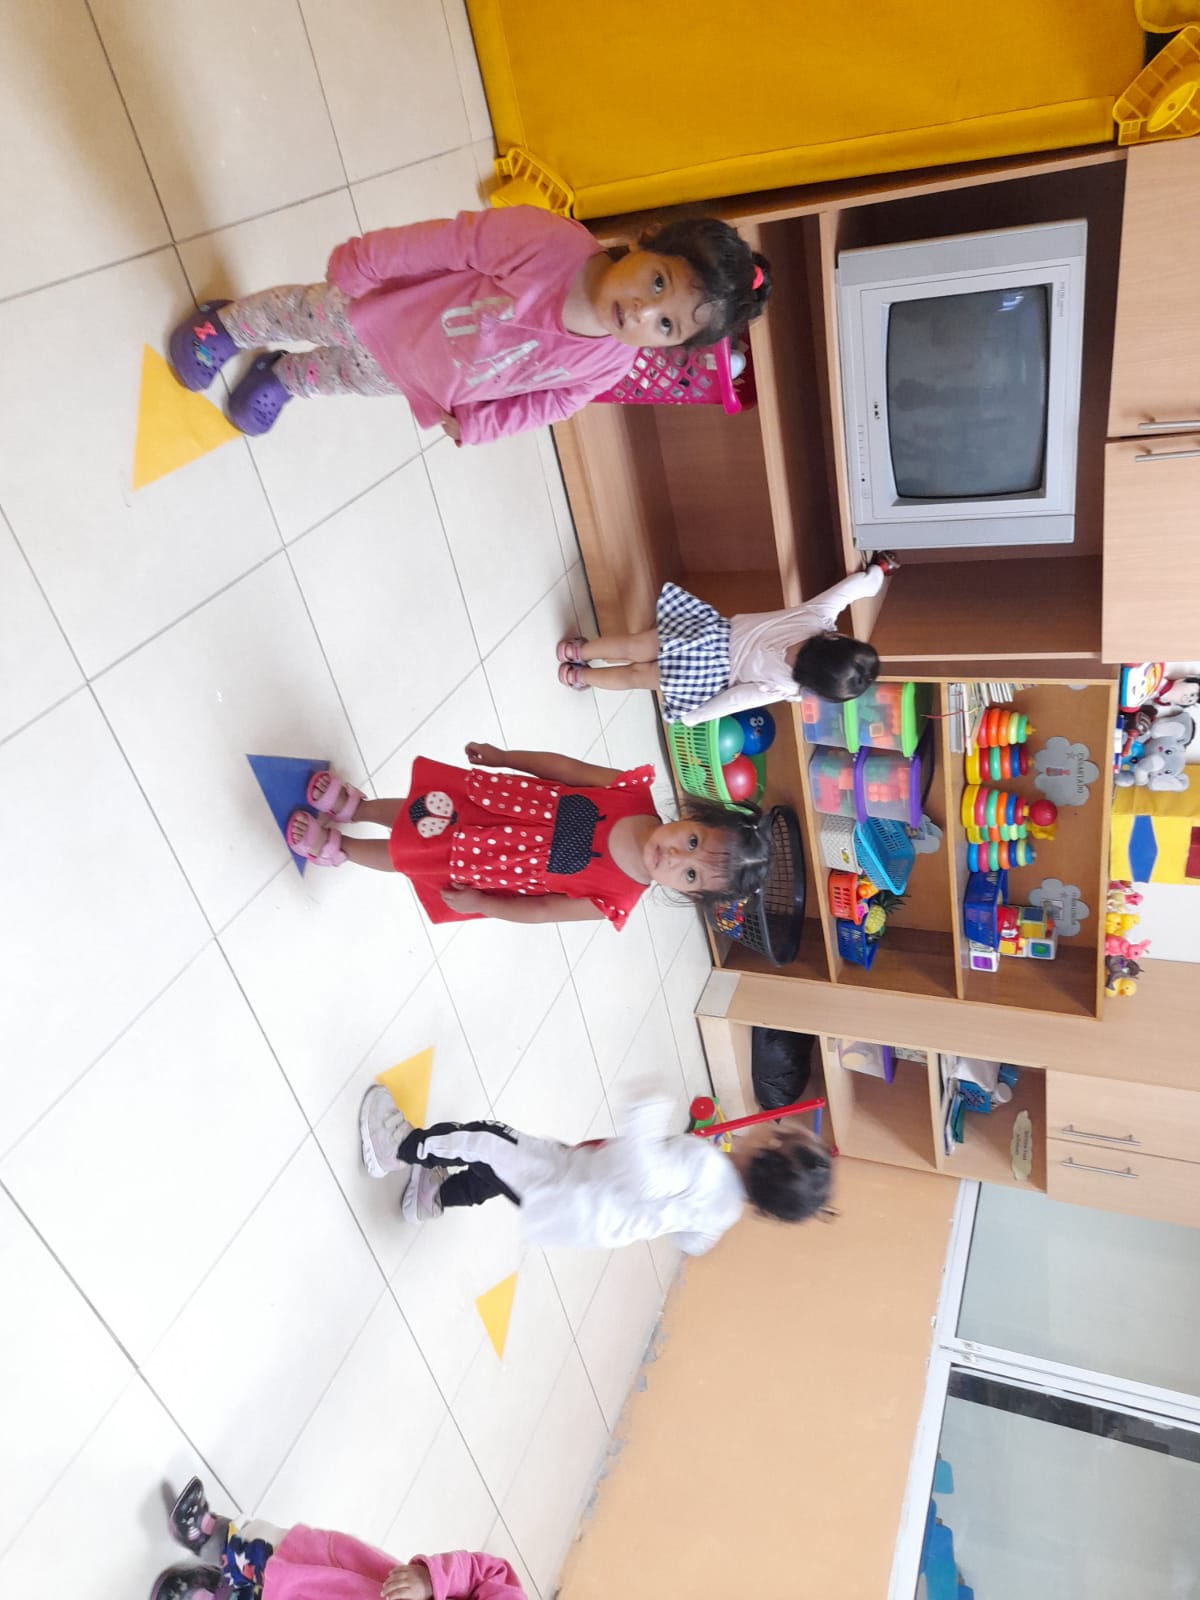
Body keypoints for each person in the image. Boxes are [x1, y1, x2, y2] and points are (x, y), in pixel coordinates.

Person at [167, 208, 771, 443]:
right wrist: (367, 259)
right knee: (300, 313)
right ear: (647, 244)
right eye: (658, 283)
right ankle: (228, 327)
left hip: (423, 376)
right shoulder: (552, 244)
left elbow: (553, 404)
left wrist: (482, 423)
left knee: (342, 378)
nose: (641, 311)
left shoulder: (610, 362)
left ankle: (283, 378)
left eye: (665, 325)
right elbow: (450, 241)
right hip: (385, 306)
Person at [283, 741, 770, 931]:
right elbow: (565, 768)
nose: (674, 856)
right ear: (693, 814)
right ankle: (358, 808)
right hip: (490, 801)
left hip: (484, 862)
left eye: (689, 874)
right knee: (424, 808)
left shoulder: (615, 899)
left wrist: (482, 902)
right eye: (692, 841)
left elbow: (541, 912)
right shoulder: (631, 791)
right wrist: (506, 758)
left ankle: (341, 848)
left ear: (687, 893)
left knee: (411, 854)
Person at [357, 1084, 834, 1247]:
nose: (770, 1126)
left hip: (572, 1190)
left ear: (766, 1151)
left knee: (487, 1140)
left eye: (777, 1132)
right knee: (499, 1173)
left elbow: (643, 1176)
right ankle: (431, 1196)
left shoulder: (703, 1165)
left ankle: (395, 1147)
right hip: (586, 1208)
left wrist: (646, 1113)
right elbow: (691, 1242)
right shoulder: (725, 1210)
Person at [556, 554, 899, 721]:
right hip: (704, 676)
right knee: (636, 676)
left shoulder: (816, 618)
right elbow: (736, 700)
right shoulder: (786, 688)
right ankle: (579, 676)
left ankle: (576, 650)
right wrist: (695, 716)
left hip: (707, 636)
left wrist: (878, 572)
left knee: (634, 645)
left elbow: (852, 589)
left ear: (837, 639)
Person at [155, 1476, 527, 1600]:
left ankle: (211, 1589)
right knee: (282, 1555)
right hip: (362, 1585)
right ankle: (213, 1535)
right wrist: (431, 1579)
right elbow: (486, 1574)